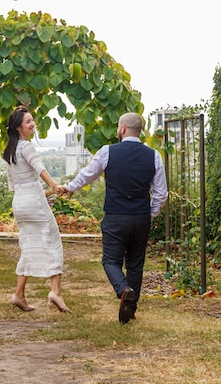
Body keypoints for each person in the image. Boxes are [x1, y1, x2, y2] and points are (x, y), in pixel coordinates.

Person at [57, 112, 167, 324]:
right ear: (140, 130)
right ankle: (131, 309)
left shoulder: (108, 152)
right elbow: (161, 194)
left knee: (110, 260)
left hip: (116, 216)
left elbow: (88, 174)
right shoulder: (153, 155)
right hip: (140, 217)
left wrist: (70, 188)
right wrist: (149, 213)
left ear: (122, 129)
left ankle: (123, 289)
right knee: (135, 263)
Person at [2, 105, 71, 313]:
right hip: (34, 198)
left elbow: (11, 184)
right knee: (53, 241)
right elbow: (39, 168)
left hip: (19, 201)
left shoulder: (9, 151)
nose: (33, 124)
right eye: (28, 122)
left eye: (33, 120)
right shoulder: (27, 147)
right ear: (18, 128)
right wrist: (54, 186)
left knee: (28, 246)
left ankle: (19, 295)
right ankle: (55, 292)